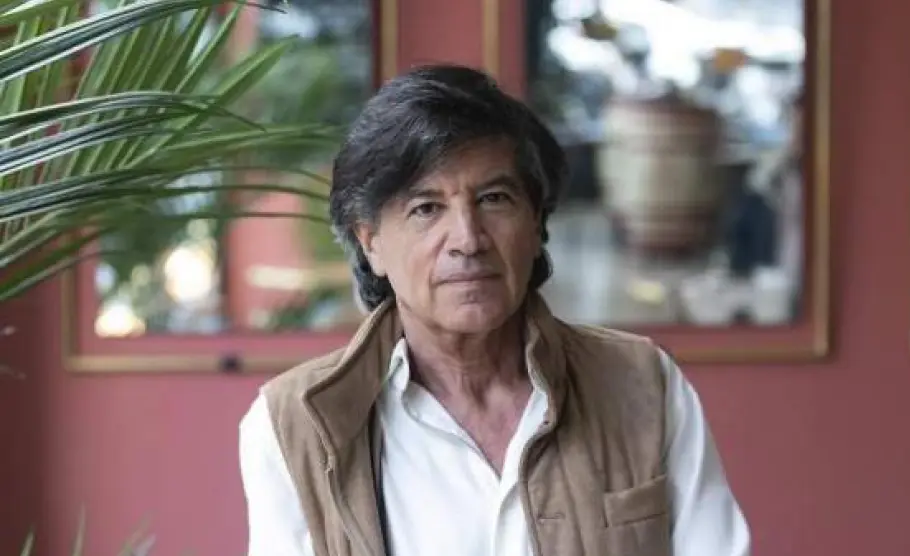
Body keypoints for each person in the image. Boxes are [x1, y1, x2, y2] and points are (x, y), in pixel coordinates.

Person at [238, 64, 751, 556]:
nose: (467, 239)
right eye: (426, 208)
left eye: (494, 199)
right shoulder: (297, 427)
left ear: (536, 223)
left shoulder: (640, 384)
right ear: (371, 242)